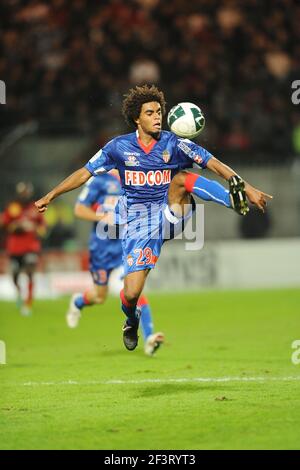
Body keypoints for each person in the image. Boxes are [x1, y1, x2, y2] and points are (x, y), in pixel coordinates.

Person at [35, 84, 272, 351]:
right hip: (137, 225)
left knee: (182, 179)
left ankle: (231, 200)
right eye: (150, 112)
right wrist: (51, 194)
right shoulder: (118, 148)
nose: (158, 116)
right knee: (132, 293)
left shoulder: (176, 143)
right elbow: (84, 173)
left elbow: (213, 163)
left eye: (159, 111)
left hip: (171, 211)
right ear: (137, 117)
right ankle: (131, 320)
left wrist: (247, 187)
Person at [66, 170, 164, 356]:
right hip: (101, 248)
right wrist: (103, 218)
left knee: (133, 292)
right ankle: (78, 301)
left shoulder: (136, 178)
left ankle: (150, 337)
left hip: (125, 244)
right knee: (99, 296)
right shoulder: (100, 180)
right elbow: (79, 209)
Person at [3, 182, 46, 315]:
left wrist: (38, 230)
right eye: (22, 193)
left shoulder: (35, 207)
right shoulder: (13, 207)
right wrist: (18, 227)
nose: (24, 195)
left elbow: (43, 226)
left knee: (30, 269)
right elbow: (5, 224)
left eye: (26, 193)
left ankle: (28, 303)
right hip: (15, 247)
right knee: (15, 273)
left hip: (30, 246)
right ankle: (19, 293)